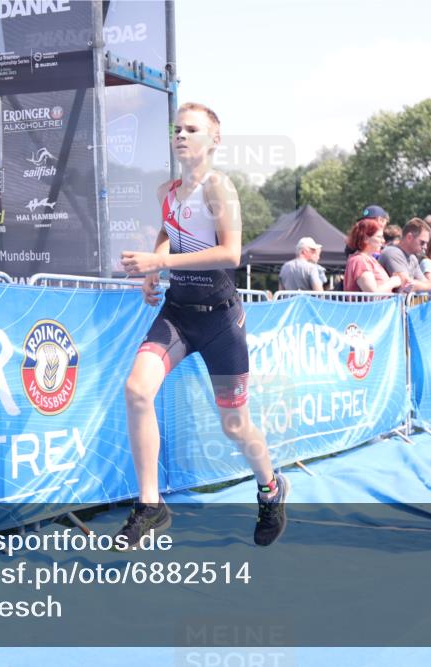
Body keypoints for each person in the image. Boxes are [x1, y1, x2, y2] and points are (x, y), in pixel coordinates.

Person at [117, 102, 287, 549]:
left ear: (214, 140)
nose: (181, 135)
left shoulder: (220, 189)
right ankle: (150, 504)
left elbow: (231, 254)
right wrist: (154, 271)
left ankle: (270, 488)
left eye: (192, 129)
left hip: (219, 322)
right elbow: (167, 231)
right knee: (136, 390)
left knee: (234, 426)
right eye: (177, 128)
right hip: (178, 314)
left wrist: (161, 260)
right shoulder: (166, 192)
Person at [343, 217, 406, 293]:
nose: (383, 241)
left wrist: (402, 283)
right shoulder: (359, 261)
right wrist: (393, 282)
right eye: (379, 237)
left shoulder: (370, 260)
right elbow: (373, 294)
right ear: (366, 238)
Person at [378, 218, 431, 292]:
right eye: (422, 242)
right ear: (409, 237)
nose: (425, 247)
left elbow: (426, 283)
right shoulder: (392, 252)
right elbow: (406, 286)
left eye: (427, 243)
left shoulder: (413, 258)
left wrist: (426, 285)